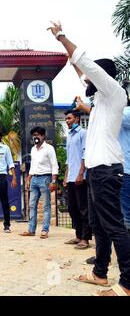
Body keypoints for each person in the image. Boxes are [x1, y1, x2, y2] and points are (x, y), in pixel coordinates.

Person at [48, 21, 130, 296]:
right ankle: (100, 274)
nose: (85, 82)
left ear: (103, 76)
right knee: (100, 226)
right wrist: (73, 62)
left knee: (115, 226)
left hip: (107, 170)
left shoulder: (114, 91)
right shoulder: (100, 104)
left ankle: (128, 284)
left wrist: (62, 37)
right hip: (97, 171)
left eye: (90, 78)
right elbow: (81, 68)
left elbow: (86, 64)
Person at [20, 126, 58, 239]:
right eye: (34, 135)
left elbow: (54, 165)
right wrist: (28, 178)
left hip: (45, 179)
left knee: (46, 206)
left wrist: (54, 181)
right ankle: (31, 230)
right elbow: (33, 166)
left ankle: (45, 230)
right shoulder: (33, 149)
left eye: (38, 135)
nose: (36, 137)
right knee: (32, 205)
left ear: (43, 136)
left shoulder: (49, 148)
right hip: (34, 179)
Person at [62, 110, 92, 249]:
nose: (67, 121)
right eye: (66, 119)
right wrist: (66, 176)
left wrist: (81, 173)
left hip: (81, 177)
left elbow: (85, 154)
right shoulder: (69, 135)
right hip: (71, 178)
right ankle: (78, 235)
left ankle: (85, 239)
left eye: (69, 118)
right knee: (72, 208)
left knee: (83, 208)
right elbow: (69, 159)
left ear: (77, 119)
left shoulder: (83, 133)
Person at [119, 102, 130, 232]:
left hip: (126, 171)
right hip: (124, 170)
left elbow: (112, 115)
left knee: (126, 216)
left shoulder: (126, 112)